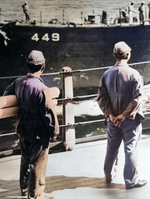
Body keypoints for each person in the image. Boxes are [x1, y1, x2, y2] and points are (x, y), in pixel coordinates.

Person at [3, 50, 59, 199]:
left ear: (28, 66)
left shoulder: (19, 82)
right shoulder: (42, 88)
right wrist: (53, 131)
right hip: (38, 131)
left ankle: (25, 189)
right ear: (43, 67)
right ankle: (36, 193)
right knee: (38, 162)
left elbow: (6, 94)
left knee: (25, 158)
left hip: (22, 127)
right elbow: (47, 114)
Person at [97, 41, 147, 189]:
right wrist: (124, 115)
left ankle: (108, 176)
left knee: (111, 148)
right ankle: (130, 181)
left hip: (113, 121)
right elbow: (137, 98)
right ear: (128, 55)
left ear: (115, 55)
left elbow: (101, 97)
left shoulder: (106, 74)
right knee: (130, 149)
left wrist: (111, 115)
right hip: (130, 120)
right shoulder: (134, 75)